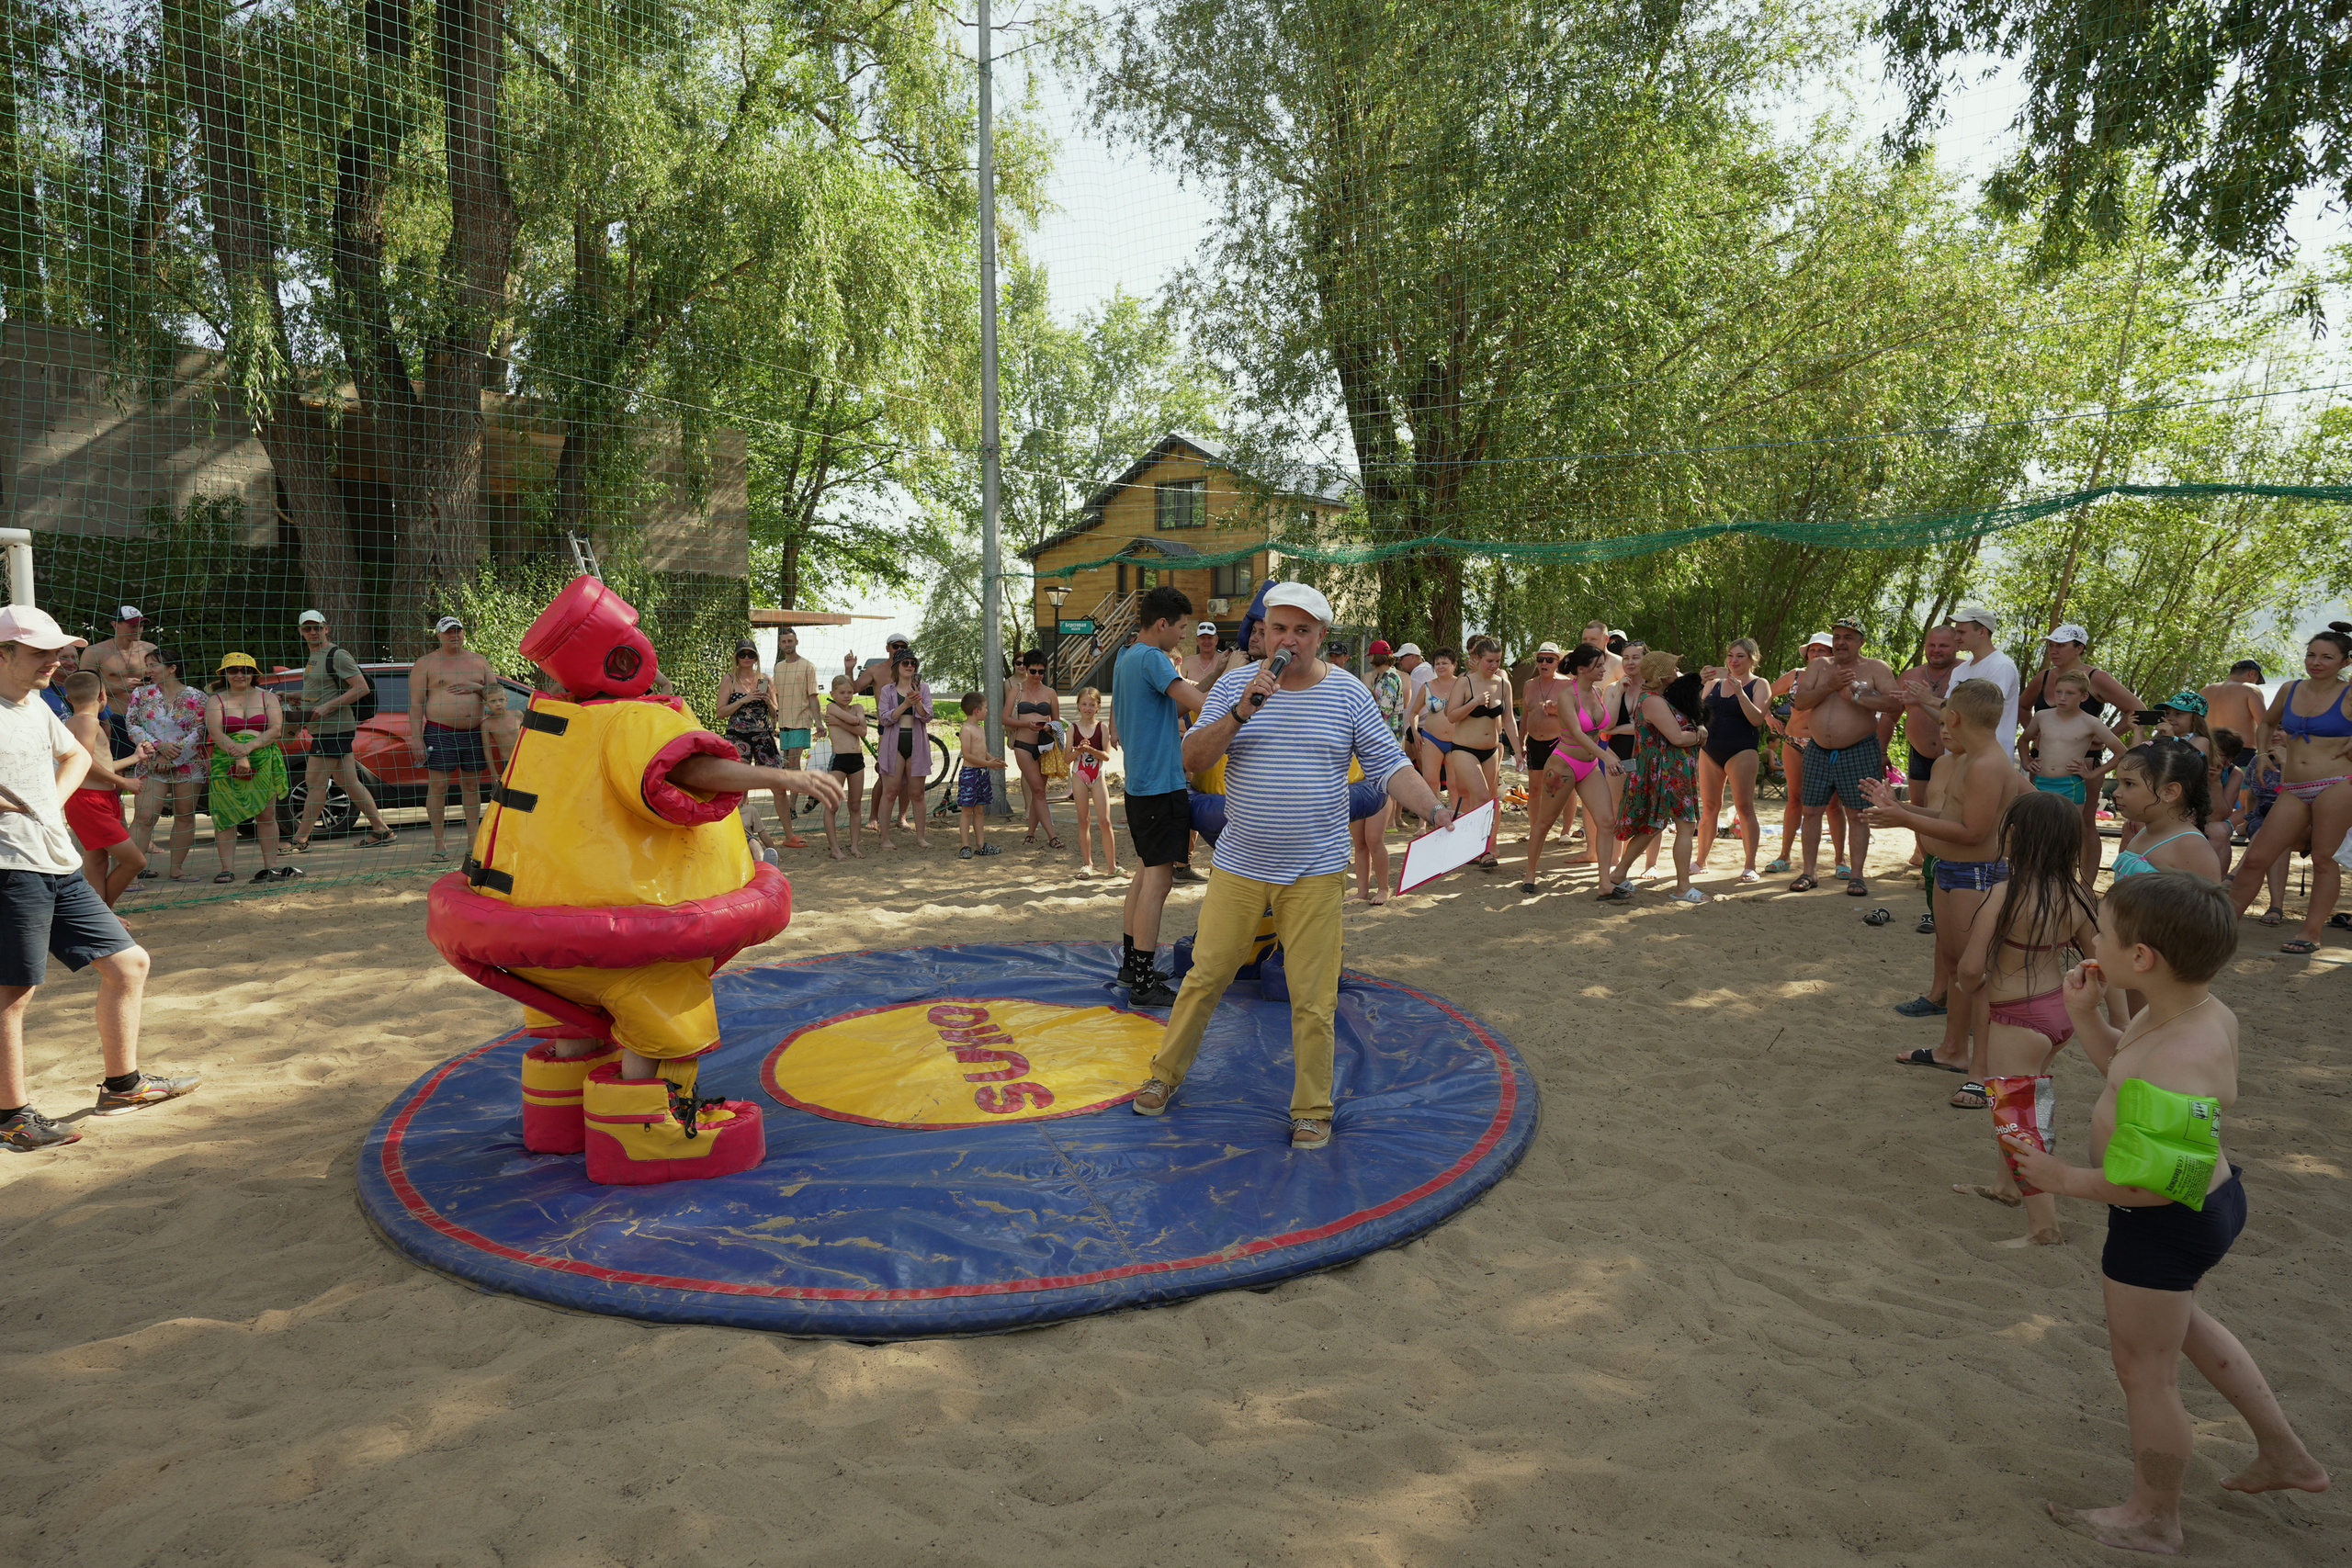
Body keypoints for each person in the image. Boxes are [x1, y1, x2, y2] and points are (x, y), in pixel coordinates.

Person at [424, 575, 843, 1185]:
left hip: (539, 930)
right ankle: (650, 1128)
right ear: (620, 657)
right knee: (659, 998)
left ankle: (562, 1110)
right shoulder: (631, 722)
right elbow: (688, 769)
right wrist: (789, 780)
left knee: (574, 1015)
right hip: (630, 926)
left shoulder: (554, 715)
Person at [2002, 874, 2328, 1554]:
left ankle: (2155, 1516)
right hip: (2210, 1199)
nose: (2092, 939)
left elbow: (2156, 1186)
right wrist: (2088, 1017)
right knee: (2182, 1326)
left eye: (2104, 931)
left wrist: (2063, 1177)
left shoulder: (2179, 1059)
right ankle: (2284, 1452)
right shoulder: (2187, 1011)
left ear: (2142, 956)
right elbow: (2124, 1071)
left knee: (2144, 1370)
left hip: (2166, 1221)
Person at [1130, 583, 1451, 1149]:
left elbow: (1390, 764)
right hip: (1240, 865)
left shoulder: (1349, 695)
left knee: (1313, 995)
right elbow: (1192, 759)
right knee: (1205, 977)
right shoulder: (1236, 685)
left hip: (1315, 871)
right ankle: (1163, 1077)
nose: (1289, 640)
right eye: (1279, 628)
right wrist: (1240, 711)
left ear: (1320, 637)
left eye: (1302, 631)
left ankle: (1311, 1109)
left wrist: (1433, 807)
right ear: (1264, 632)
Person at [0, 606, 195, 1151]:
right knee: (13, 994)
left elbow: (72, 757)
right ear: (2, 653)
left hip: (57, 863)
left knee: (129, 964)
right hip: (9, 870)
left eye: (59, 651)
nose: (56, 660)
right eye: (40, 652)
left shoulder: (37, 705)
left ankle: (123, 1086)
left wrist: (49, 804)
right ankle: (10, 1117)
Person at [1949, 791, 2109, 1247]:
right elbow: (2102, 957)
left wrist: (1966, 988)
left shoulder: (2007, 888)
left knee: (2017, 1118)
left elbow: (1971, 964)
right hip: (2059, 1010)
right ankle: (2005, 1186)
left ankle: (2044, 1226)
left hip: (2016, 1014)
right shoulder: (2077, 892)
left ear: (2016, 836)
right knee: (2021, 1105)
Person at [1863, 679, 2026, 1106]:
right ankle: (1952, 1050)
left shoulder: (1991, 763)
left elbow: (1972, 833)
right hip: (1952, 872)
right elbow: (1949, 815)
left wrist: (1904, 820)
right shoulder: (1969, 759)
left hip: (1977, 875)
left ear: (1954, 716)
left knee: (1977, 973)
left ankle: (1980, 1069)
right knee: (1956, 966)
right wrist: (1899, 808)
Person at [2227, 625, 2352, 955]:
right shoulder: (2291, 689)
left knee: (2324, 860)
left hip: (2337, 785)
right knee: (2255, 857)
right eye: (2311, 654)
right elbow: (2267, 723)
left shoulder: (2349, 692)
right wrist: (2263, 754)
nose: (2316, 661)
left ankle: (2311, 932)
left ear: (2345, 662)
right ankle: (2222, 926)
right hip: (2293, 786)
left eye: (2327, 657)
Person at [1112, 586, 1206, 1007]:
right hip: (1160, 785)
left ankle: (1133, 965)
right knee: (1159, 883)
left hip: (1140, 786)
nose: (1184, 637)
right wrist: (1243, 701)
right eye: (1182, 627)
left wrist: (1219, 669)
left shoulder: (1129, 657)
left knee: (1145, 873)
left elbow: (1178, 700)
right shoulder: (1154, 658)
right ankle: (1144, 984)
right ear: (1163, 623)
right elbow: (1197, 701)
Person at [2021, 624, 2143, 884]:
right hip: (2043, 763)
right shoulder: (2043, 678)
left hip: (2083, 762)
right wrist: (2038, 733)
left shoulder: (2097, 677)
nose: (2054, 650)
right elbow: (2022, 706)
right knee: (2040, 822)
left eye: (2061, 645)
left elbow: (2137, 710)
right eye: (2051, 645)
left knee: (2083, 824)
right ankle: (2038, 880)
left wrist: (2104, 733)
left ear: (2079, 649)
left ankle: (2085, 885)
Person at [1789, 616, 1901, 897]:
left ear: (1861, 642)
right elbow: (1800, 702)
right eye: (1837, 636)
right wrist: (1829, 685)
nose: (1840, 642)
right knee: (1811, 810)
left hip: (1860, 749)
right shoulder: (1818, 666)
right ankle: (1809, 871)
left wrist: (1856, 697)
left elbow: (1894, 704)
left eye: (1848, 638)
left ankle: (1857, 875)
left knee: (1858, 814)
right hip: (1817, 750)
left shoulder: (1876, 668)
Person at [1601, 649, 1707, 905]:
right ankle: (1683, 888)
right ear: (1661, 675)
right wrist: (1700, 735)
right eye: (1671, 669)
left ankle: (1618, 874)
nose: (1676, 672)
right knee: (1684, 825)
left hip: (1667, 771)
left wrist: (1697, 727)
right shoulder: (1653, 701)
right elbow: (1677, 737)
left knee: (1654, 825)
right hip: (1667, 773)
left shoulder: (1658, 697)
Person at [288, 610, 396, 852]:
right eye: (308, 628)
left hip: (334, 730)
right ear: (301, 632)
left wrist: (329, 707)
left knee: (314, 783)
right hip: (326, 729)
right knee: (350, 783)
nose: (313, 632)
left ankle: (300, 840)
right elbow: (321, 692)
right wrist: (293, 696)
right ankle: (382, 830)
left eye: (318, 627)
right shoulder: (315, 656)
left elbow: (361, 688)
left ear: (327, 628)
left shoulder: (337, 655)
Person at [1521, 644, 1620, 892]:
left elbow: (1605, 725)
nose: (1603, 669)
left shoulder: (1598, 692)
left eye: (1602, 664)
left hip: (1589, 766)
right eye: (1597, 665)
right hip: (1564, 763)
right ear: (1581, 669)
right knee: (1544, 822)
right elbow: (1577, 733)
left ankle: (1605, 883)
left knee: (1607, 821)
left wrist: (1620, 695)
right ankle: (1530, 875)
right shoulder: (1568, 696)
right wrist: (1605, 757)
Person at [2015, 669, 2124, 868]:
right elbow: (2023, 740)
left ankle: (2065, 884)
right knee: (2035, 835)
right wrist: (2026, 761)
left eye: (2070, 693)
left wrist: (2092, 774)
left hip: (2070, 786)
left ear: (2083, 696)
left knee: (2067, 839)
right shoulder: (2042, 716)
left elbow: (2121, 752)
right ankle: (2032, 881)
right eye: (2059, 692)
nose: (2062, 698)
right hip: (2040, 782)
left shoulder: (2090, 722)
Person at [410, 615, 496, 861]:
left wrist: (475, 686)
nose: (454, 635)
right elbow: (416, 704)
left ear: (464, 634)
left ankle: (473, 844)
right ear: (438, 635)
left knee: (472, 786)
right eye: (448, 632)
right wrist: (416, 738)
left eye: (458, 630)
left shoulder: (479, 661)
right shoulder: (425, 663)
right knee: (438, 787)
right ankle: (440, 845)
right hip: (440, 732)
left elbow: (495, 693)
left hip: (474, 732)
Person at [59, 671, 149, 906]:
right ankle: (101, 917)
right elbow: (85, 763)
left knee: (98, 863)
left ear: (69, 698)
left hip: (97, 799)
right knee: (136, 862)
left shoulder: (75, 721)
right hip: (90, 802)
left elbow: (100, 764)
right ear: (103, 695)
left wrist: (135, 758)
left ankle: (101, 919)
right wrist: (124, 782)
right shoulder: (88, 722)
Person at [206, 652, 295, 886]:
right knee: (224, 815)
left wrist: (246, 750)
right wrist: (237, 754)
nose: (239, 675)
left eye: (246, 670)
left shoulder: (268, 698)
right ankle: (226, 869)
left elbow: (276, 730)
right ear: (224, 674)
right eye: (233, 670)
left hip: (263, 758)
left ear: (254, 674)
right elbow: (216, 733)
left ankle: (271, 867)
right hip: (225, 761)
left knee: (266, 814)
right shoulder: (216, 700)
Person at [126, 646, 207, 881]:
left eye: (153, 665)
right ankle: (129, 873)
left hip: (189, 763)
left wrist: (175, 757)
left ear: (172, 668)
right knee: (144, 817)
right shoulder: (140, 695)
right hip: (150, 761)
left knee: (185, 815)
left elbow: (200, 730)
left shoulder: (198, 696)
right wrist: (158, 749)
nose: (148, 670)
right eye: (147, 665)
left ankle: (177, 869)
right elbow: (132, 724)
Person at [1696, 637, 1770, 882]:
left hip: (1741, 750)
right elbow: (1697, 713)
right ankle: (1700, 861)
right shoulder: (1715, 683)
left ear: (1752, 659)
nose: (1733, 661)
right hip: (1710, 750)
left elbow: (1757, 719)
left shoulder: (1760, 684)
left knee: (1744, 808)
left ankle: (1750, 865)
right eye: (1730, 655)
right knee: (1709, 808)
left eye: (1740, 656)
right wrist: (1702, 682)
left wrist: (1740, 692)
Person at [1891, 624, 1961, 880]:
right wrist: (1881, 751)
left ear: (1956, 646)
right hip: (1919, 752)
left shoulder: (1964, 672)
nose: (1936, 650)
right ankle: (1925, 859)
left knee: (1950, 808)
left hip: (1954, 755)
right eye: (1932, 645)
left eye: (1943, 645)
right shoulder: (1910, 675)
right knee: (1918, 807)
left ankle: (1944, 859)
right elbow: (1889, 717)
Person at [1765, 632, 1838, 874]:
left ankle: (1841, 861)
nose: (1816, 654)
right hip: (1793, 742)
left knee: (1833, 805)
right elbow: (1765, 693)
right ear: (1807, 654)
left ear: (1832, 654)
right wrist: (1768, 716)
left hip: (1826, 745)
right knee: (1794, 799)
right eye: (1813, 650)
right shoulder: (1796, 675)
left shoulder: (1840, 677)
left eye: (1822, 650)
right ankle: (1784, 856)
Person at [1442, 636, 1518, 868]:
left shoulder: (1503, 684)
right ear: (1477, 659)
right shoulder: (1465, 682)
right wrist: (1474, 703)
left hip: (1491, 751)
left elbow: (1509, 720)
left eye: (1497, 661)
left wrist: (1520, 750)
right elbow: (1451, 715)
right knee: (1482, 797)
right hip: (1464, 749)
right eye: (1489, 661)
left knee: (1489, 800)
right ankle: (1480, 849)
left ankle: (1482, 847)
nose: (1494, 665)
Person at [716, 641, 796, 851]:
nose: (747, 657)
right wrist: (745, 700)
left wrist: (769, 701)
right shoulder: (730, 679)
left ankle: (790, 835)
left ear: (756, 657)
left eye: (750, 654)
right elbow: (721, 712)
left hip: (764, 738)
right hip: (738, 738)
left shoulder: (765, 679)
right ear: (736, 657)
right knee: (740, 788)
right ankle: (740, 837)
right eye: (742, 653)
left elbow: (775, 713)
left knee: (779, 786)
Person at [875, 649, 934, 851]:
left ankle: (921, 837)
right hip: (894, 745)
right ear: (897, 667)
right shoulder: (887, 690)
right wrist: (905, 704)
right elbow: (884, 718)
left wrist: (916, 703)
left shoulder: (922, 688)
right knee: (890, 792)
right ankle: (885, 838)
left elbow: (928, 716)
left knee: (917, 793)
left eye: (913, 663)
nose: (910, 666)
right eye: (905, 663)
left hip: (917, 744)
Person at [1004, 649, 1064, 850]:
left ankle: (1030, 833)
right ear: (1025, 669)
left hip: (1045, 746)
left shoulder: (1050, 693)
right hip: (1023, 745)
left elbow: (1057, 722)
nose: (1037, 675)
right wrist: (1025, 725)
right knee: (1038, 790)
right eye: (1033, 671)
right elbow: (1005, 719)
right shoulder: (1016, 690)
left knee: (1040, 791)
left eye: (1041, 672)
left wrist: (1048, 726)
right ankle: (1052, 836)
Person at [78, 604, 153, 760]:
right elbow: (83, 688)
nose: (138, 629)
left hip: (145, 718)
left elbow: (164, 682)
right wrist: (119, 686)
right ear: (114, 624)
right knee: (115, 764)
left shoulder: (150, 649)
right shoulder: (95, 652)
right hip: (113, 717)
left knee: (148, 764)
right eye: (132, 625)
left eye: (141, 625)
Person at [769, 627, 823, 824]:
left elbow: (813, 697)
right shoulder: (778, 667)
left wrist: (819, 724)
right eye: (784, 642)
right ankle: (813, 790)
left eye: (790, 641)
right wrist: (773, 722)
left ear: (796, 642)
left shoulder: (808, 666)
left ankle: (791, 807)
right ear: (780, 644)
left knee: (793, 764)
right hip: (784, 722)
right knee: (787, 765)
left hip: (801, 721)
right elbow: (775, 697)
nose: (787, 645)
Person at [1068, 685, 1117, 877]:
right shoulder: (1073, 728)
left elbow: (1106, 756)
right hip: (1079, 775)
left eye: (1091, 704)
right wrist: (1079, 750)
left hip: (1097, 776)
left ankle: (1111, 866)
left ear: (1098, 707)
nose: (1087, 708)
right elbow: (1066, 758)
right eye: (1084, 704)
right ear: (1078, 706)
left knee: (1105, 821)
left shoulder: (1102, 727)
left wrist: (1090, 750)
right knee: (1084, 820)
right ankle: (1087, 864)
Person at [820, 675, 867, 860]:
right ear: (833, 693)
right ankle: (835, 849)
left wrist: (840, 723)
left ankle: (855, 846)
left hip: (857, 760)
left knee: (855, 805)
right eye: (842, 692)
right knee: (833, 805)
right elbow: (856, 722)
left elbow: (862, 730)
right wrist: (853, 720)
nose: (846, 696)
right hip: (839, 759)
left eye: (850, 692)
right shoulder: (831, 707)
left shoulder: (858, 708)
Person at [955, 693, 1006, 859]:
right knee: (967, 810)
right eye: (985, 708)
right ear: (977, 711)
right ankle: (965, 845)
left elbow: (983, 752)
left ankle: (981, 844)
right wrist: (988, 764)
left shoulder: (980, 729)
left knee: (979, 810)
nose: (987, 711)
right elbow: (967, 755)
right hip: (970, 774)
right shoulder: (966, 729)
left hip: (982, 774)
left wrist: (994, 761)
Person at [1407, 648, 1461, 804]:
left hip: (1455, 740)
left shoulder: (1462, 684)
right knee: (1430, 782)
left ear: (1454, 665)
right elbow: (1414, 712)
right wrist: (1416, 732)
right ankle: (1426, 823)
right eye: (1437, 663)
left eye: (1445, 663)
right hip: (1431, 739)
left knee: (1454, 784)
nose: (1441, 666)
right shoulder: (1427, 686)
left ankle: (1457, 820)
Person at [2199, 659, 2267, 766]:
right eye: (2256, 681)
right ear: (2252, 673)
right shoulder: (2250, 689)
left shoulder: (2205, 690)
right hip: (2240, 753)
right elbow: (2265, 724)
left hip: (2210, 751)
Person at [1182, 621, 1235, 690]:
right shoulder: (1186, 662)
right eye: (1203, 638)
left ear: (1216, 640)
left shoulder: (1225, 661)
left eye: (1210, 638)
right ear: (1197, 640)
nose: (1206, 642)